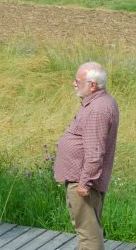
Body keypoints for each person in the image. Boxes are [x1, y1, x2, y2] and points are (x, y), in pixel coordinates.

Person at [53, 62, 118, 250]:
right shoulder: (98, 103)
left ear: (92, 85)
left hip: (82, 179)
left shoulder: (97, 109)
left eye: (78, 81)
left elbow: (95, 152)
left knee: (88, 232)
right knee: (87, 229)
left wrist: (84, 182)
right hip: (80, 177)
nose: (74, 84)